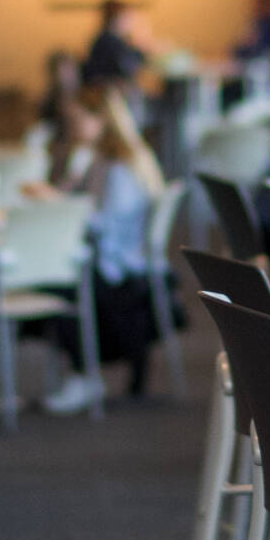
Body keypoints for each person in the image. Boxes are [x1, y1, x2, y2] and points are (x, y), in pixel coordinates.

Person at [39, 87, 169, 412]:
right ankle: (81, 373)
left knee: (51, 283)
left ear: (101, 121)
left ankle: (84, 374)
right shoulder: (108, 159)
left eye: (78, 120)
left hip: (119, 268)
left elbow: (105, 225)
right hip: (129, 261)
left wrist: (58, 205)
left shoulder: (120, 166)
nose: (72, 127)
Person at [81, 0, 146, 87]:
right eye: (127, 18)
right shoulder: (110, 41)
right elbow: (130, 66)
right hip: (104, 90)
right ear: (117, 19)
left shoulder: (106, 37)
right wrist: (141, 45)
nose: (130, 24)